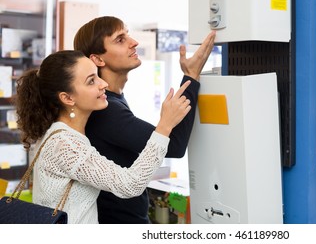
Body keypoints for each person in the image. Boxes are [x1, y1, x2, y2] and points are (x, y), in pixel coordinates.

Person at [14, 50, 193, 224]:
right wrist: (165, 125)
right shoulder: (65, 145)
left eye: (97, 75)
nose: (103, 84)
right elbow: (130, 184)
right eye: (91, 81)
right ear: (67, 98)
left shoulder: (61, 134)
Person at [73, 16, 216, 223]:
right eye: (120, 40)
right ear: (98, 59)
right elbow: (174, 146)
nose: (134, 42)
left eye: (128, 34)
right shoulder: (106, 110)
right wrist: (191, 76)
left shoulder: (111, 101)